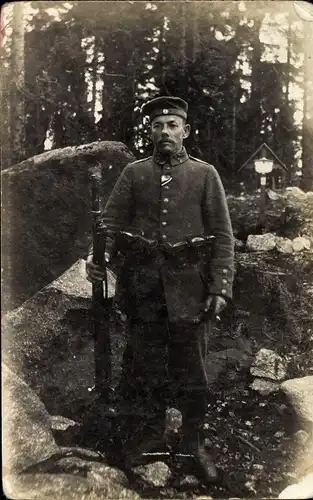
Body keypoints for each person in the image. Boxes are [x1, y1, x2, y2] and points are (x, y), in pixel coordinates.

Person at [86, 96, 234, 481]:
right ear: (149, 131)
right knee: (143, 368)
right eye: (157, 126)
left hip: (192, 289)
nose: (164, 132)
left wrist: (220, 287)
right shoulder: (135, 174)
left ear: (186, 131)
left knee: (193, 373)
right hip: (143, 289)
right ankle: (147, 441)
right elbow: (111, 226)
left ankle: (193, 445)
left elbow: (222, 236)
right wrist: (95, 258)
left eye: (172, 125)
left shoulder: (205, 175)